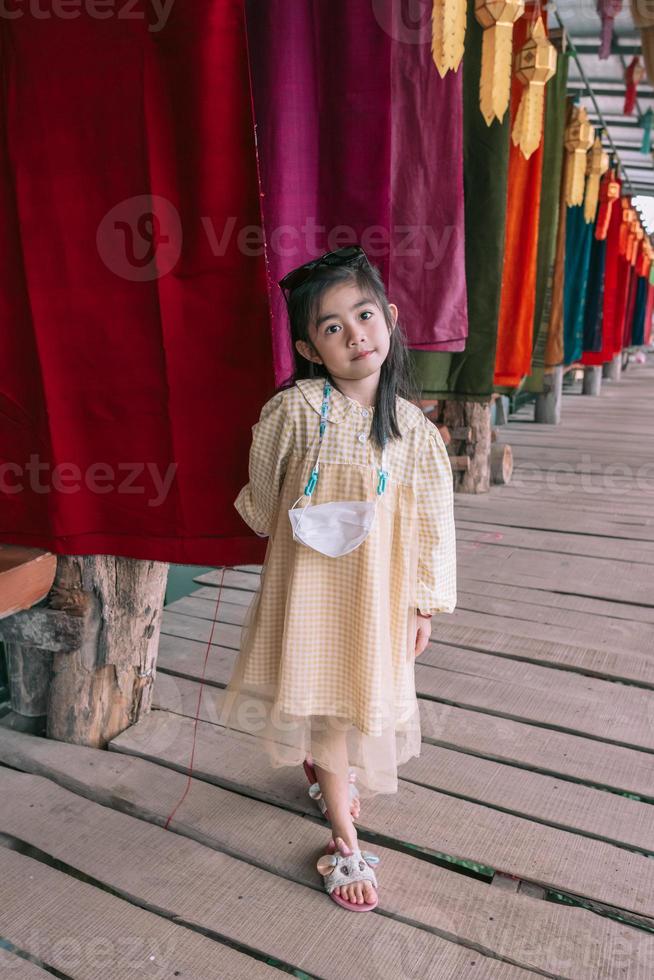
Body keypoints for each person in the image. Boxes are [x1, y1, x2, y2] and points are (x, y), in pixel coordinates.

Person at [218, 245, 457, 912]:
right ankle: (344, 838)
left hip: (379, 599)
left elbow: (434, 528)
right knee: (324, 701)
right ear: (310, 347)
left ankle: (333, 773)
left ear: (391, 317)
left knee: (362, 697)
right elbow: (265, 501)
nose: (355, 334)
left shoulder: (415, 433)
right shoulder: (292, 411)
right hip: (311, 596)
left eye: (364, 314)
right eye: (331, 326)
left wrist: (423, 606)